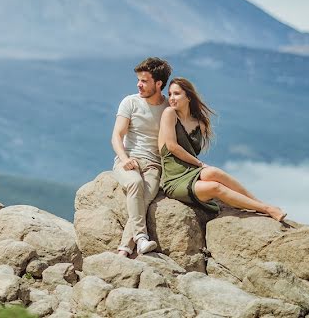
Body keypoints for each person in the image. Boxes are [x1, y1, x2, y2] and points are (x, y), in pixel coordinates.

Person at [158, 77, 286, 221]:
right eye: (170, 94)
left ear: (188, 96)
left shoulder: (199, 124)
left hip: (191, 172)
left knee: (214, 172)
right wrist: (200, 164)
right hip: (174, 180)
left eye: (176, 93)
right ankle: (266, 209)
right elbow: (172, 146)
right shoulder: (169, 114)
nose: (171, 98)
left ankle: (260, 204)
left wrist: (199, 166)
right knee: (215, 187)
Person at [110, 57, 172, 257]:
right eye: (139, 79)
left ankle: (124, 249)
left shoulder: (168, 108)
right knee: (135, 184)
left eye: (144, 81)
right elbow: (117, 135)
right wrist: (124, 158)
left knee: (143, 199)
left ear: (159, 83)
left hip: (154, 165)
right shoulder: (130, 102)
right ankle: (141, 239)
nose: (139, 84)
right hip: (128, 160)